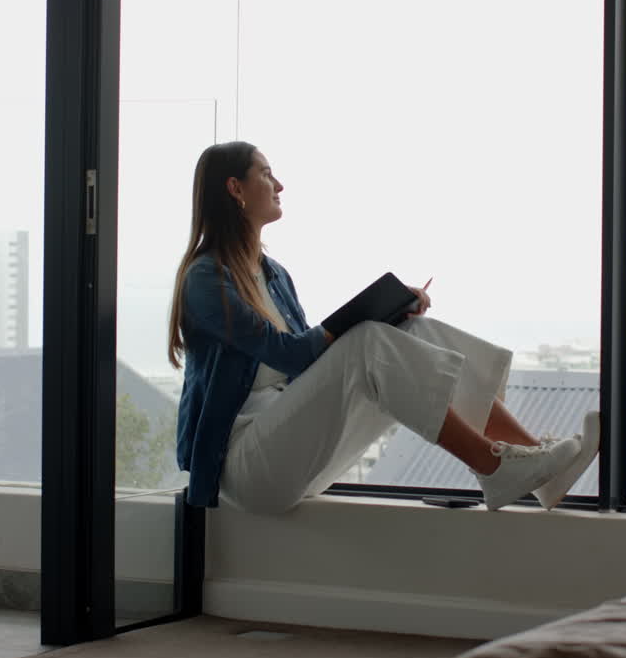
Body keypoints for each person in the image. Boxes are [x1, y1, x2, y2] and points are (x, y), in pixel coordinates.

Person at [168, 141, 600, 514]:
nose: (279, 185)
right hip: (243, 466)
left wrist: (390, 314)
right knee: (369, 341)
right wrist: (365, 315)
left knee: (413, 334)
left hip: (294, 450)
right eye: (266, 174)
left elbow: (311, 365)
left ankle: (538, 468)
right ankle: (493, 465)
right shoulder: (205, 279)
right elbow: (291, 354)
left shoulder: (273, 274)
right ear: (235, 189)